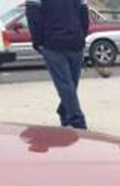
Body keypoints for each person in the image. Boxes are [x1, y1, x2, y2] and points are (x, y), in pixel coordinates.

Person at [26, 0, 89, 130]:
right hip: (60, 43)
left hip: (63, 42)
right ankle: (77, 121)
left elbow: (33, 17)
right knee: (68, 85)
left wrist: (38, 41)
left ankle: (66, 114)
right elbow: (84, 15)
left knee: (68, 85)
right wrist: (82, 35)